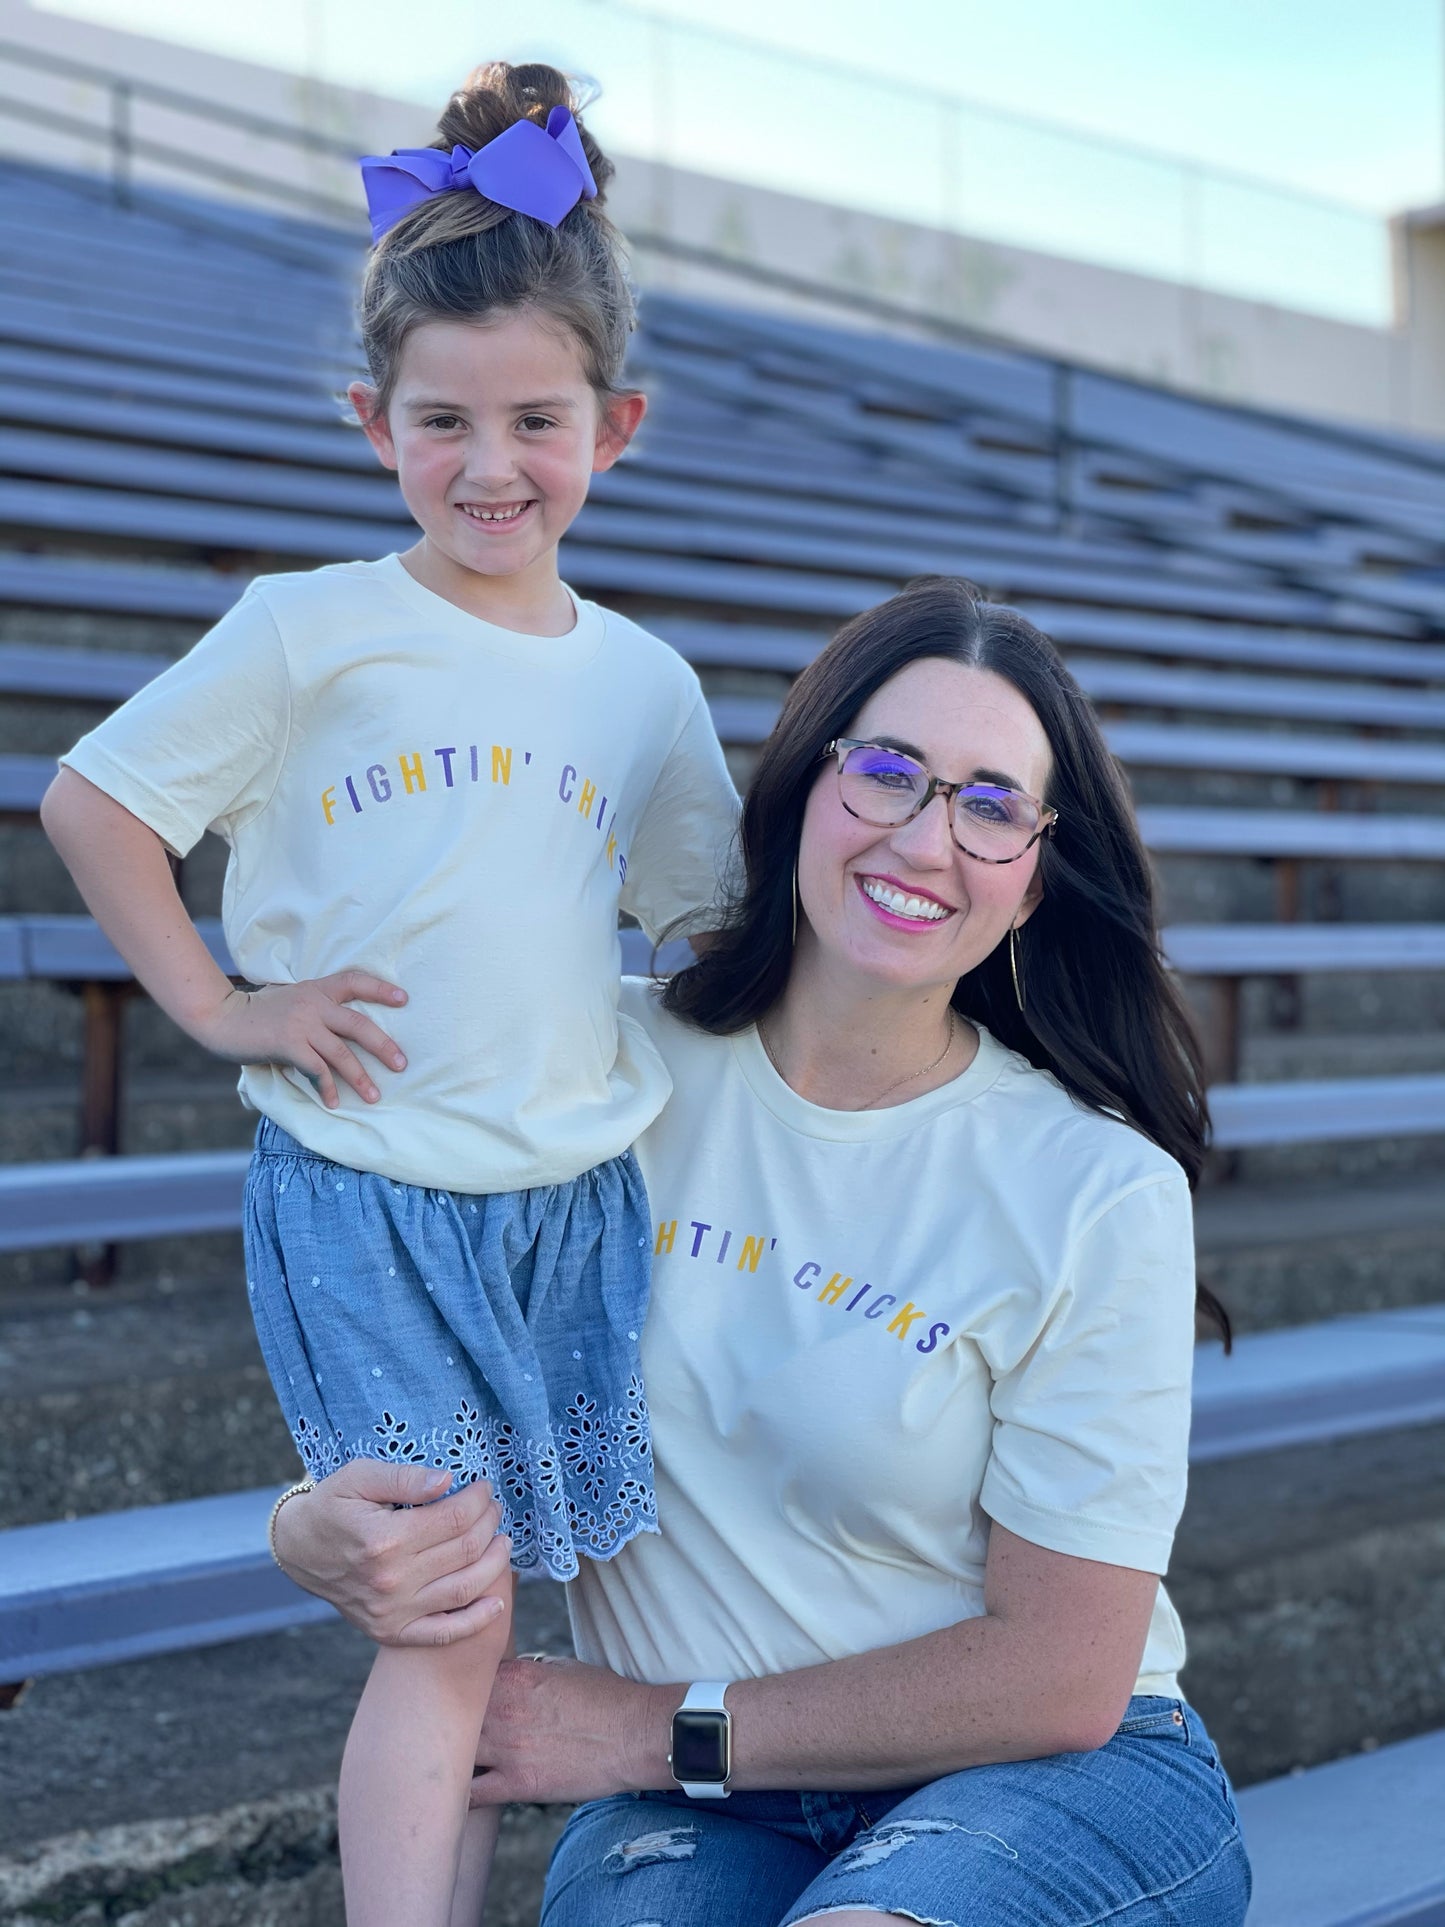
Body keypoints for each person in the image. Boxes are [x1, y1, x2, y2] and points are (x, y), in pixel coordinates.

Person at [273, 576, 1252, 1926]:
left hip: (1048, 1779)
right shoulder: (580, 1073)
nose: (924, 839)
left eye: (988, 805)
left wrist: (647, 1732)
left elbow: (1063, 1676)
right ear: (800, 789)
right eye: (890, 773)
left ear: (1031, 882)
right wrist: (307, 1525)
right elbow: (415, 1402)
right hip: (698, 1816)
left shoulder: (1091, 1188)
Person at [39, 61, 738, 1927]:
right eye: (443, 422)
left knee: (526, 1612)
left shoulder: (643, 689)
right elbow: (94, 800)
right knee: (440, 1609)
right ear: (373, 423)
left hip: (574, 1204)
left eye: (536, 417)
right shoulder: (308, 629)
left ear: (619, 422)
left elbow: (707, 930)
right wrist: (221, 1007)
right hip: (371, 1193)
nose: (490, 465)